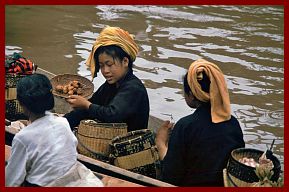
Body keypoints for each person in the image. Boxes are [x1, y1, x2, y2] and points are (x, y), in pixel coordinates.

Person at [155, 58, 245, 186]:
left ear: (191, 95)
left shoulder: (185, 127)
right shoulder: (233, 124)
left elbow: (170, 178)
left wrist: (161, 144)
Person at [5, 74, 103, 187]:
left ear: (22, 104)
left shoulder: (22, 138)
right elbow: (72, 150)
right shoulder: (63, 122)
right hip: (72, 179)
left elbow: (11, 181)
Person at [64, 26, 150, 132]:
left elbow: (111, 115)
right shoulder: (111, 84)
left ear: (125, 62)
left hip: (128, 145)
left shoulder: (134, 88)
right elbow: (92, 106)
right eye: (101, 65)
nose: (105, 71)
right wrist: (63, 122)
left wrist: (86, 104)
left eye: (109, 64)